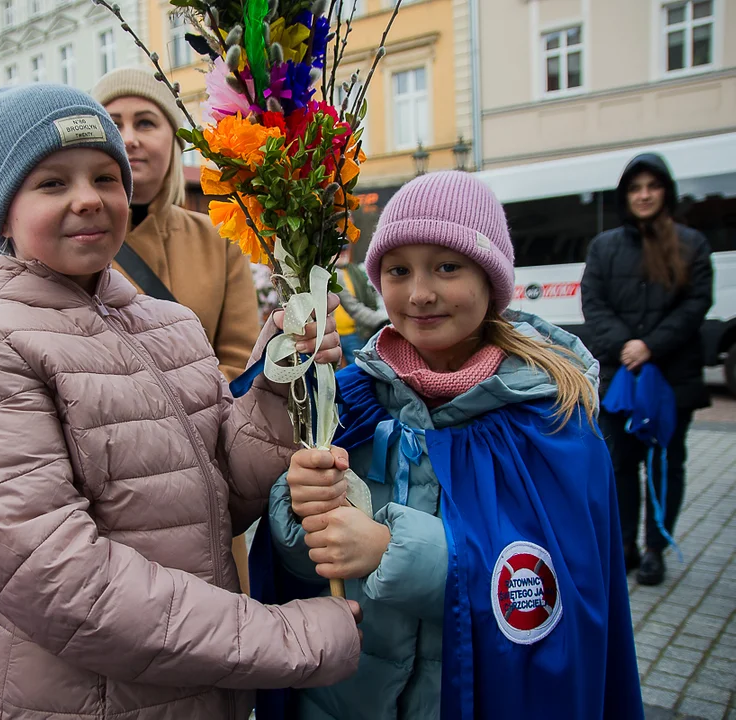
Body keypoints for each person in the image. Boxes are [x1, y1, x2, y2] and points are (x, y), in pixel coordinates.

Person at [0, 84, 362, 719]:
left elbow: (221, 494)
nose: (88, 198)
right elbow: (65, 584)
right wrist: (286, 638)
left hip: (201, 690)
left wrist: (278, 380)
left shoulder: (169, 324)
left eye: (105, 176)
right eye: (51, 183)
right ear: (4, 213)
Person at [260, 172, 642, 719]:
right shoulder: (348, 403)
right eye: (398, 270)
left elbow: (557, 590)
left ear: (491, 281)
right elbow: (301, 573)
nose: (419, 293)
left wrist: (389, 551)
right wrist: (300, 512)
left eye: (447, 266)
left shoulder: (551, 419)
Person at [93, 66, 263, 590]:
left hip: (202, 480)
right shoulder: (72, 241)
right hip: (107, 490)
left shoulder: (220, 237)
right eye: (114, 121)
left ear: (172, 140)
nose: (130, 137)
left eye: (147, 122)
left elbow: (242, 359)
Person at [581, 153, 713, 586]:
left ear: (665, 192)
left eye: (652, 186)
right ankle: (625, 547)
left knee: (665, 462)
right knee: (620, 465)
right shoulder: (604, 248)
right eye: (635, 188)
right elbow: (594, 305)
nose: (643, 195)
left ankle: (656, 546)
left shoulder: (691, 244)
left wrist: (650, 346)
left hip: (671, 379)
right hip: (620, 379)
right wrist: (624, 347)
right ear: (625, 195)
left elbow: (696, 305)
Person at [334, 245, 387, 363]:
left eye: (344, 249)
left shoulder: (356, 271)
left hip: (353, 333)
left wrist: (381, 320)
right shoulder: (328, 274)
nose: (342, 253)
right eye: (338, 249)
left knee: (358, 367)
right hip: (331, 334)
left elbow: (356, 306)